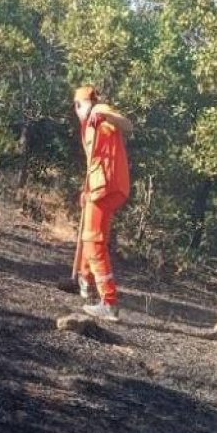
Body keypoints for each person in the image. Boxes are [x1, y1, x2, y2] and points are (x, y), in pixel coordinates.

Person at [62, 85, 132, 322]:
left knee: (93, 240)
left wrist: (105, 114)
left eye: (77, 106)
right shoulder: (86, 127)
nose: (76, 110)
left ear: (82, 104)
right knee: (91, 235)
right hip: (101, 186)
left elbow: (127, 124)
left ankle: (108, 303)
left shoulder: (100, 110)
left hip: (108, 186)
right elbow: (94, 162)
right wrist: (86, 189)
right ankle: (84, 280)